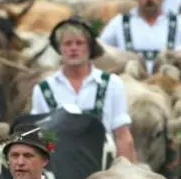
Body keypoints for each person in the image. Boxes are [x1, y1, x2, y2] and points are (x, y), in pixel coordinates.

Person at [30, 17, 136, 166]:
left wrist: (124, 172)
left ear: (90, 47)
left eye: (79, 43)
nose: (73, 48)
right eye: (67, 43)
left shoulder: (112, 84)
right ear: (59, 49)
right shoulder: (43, 90)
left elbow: (122, 136)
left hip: (104, 170)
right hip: (59, 169)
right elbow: (40, 139)